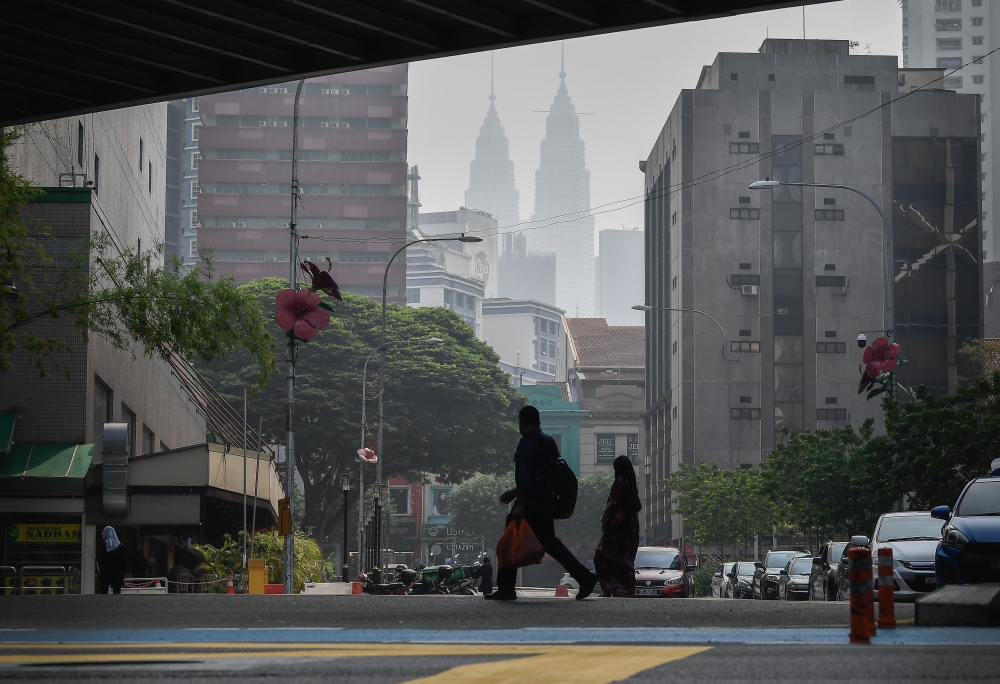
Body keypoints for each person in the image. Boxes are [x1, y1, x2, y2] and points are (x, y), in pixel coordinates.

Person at [488, 405, 599, 601]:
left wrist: (519, 503)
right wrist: (515, 492)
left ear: (521, 423)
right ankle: (585, 577)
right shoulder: (548, 440)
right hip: (546, 502)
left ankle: (506, 587)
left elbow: (526, 476)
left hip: (531, 504)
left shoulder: (527, 442)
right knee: (551, 544)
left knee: (511, 538)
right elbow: (542, 474)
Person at [593, 456, 642, 597]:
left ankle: (608, 588)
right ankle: (627, 588)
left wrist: (604, 520)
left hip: (618, 527)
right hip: (631, 527)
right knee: (625, 559)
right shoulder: (631, 484)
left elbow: (614, 502)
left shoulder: (620, 481)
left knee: (601, 556)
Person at [97, 526, 126, 594]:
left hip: (106, 573)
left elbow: (99, 558)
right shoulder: (121, 547)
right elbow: (124, 561)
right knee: (116, 592)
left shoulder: (104, 546)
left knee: (103, 591)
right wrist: (122, 573)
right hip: (118, 573)